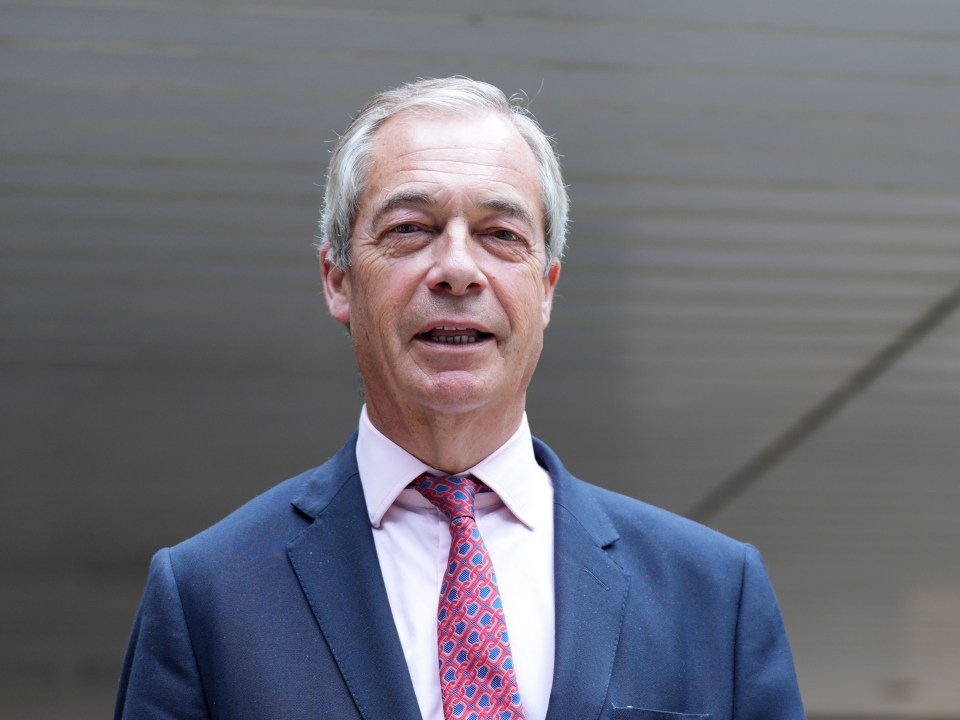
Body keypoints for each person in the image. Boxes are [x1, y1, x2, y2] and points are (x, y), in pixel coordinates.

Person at [115, 77, 805, 720]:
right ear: (337, 279)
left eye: (501, 235)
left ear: (546, 288)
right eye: (410, 228)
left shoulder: (715, 596)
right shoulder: (208, 596)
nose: (456, 269)